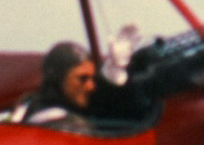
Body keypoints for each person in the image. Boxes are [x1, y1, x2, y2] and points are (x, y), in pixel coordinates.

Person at [22, 39, 151, 132]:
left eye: (92, 78)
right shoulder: (68, 126)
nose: (91, 87)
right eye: (82, 78)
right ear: (57, 79)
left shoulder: (28, 106)